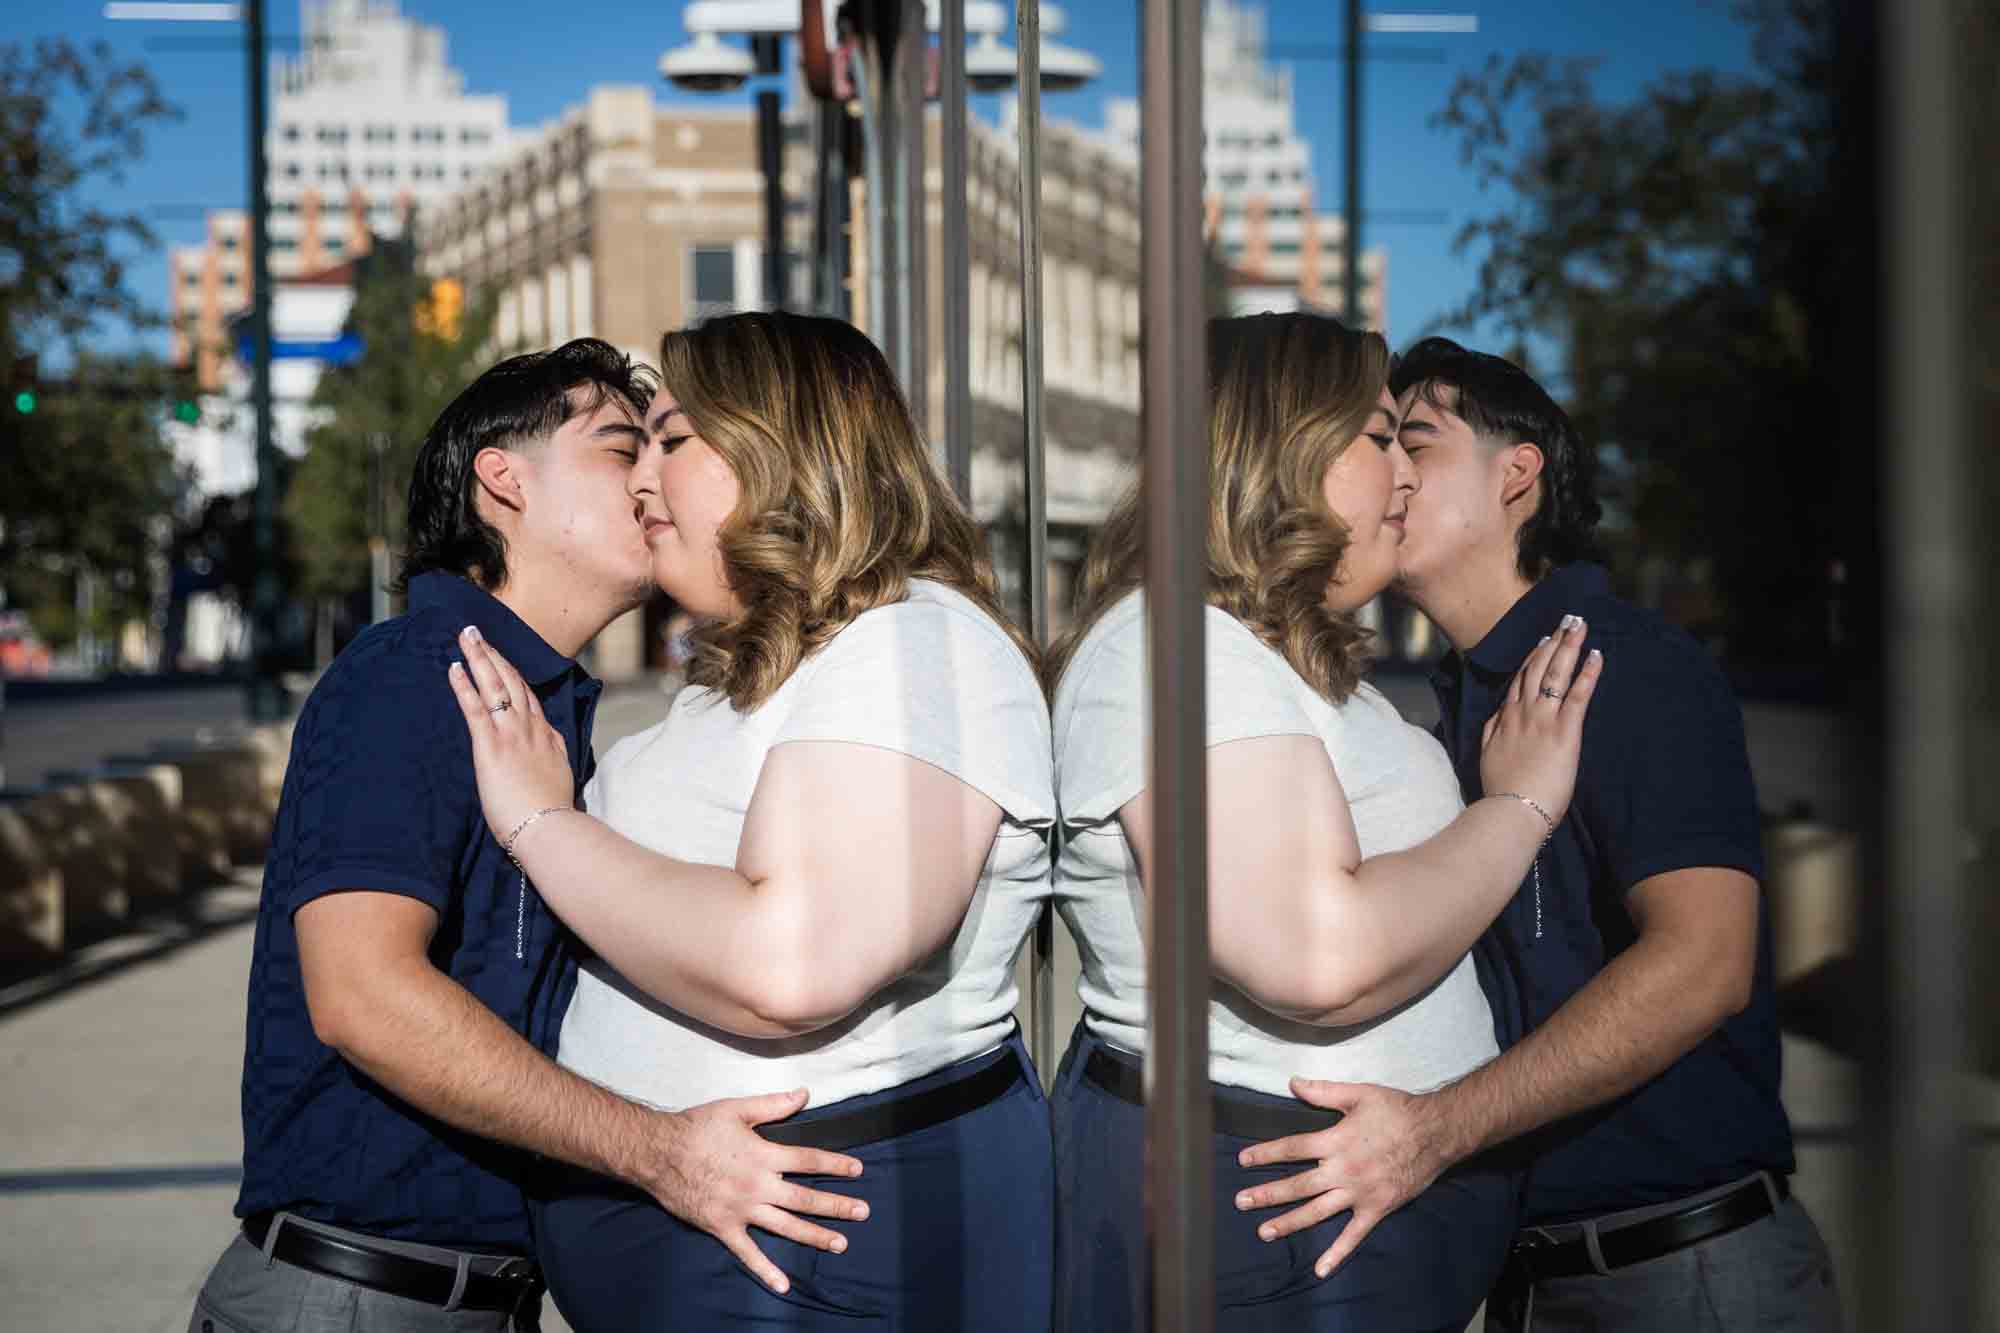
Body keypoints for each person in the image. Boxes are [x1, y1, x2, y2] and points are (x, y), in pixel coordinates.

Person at [189, 339, 866, 1333]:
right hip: (356, 1302)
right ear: (500, 480)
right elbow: (363, 997)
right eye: (616, 447)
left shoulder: (542, 709)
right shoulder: (412, 678)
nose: (648, 478)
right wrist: (660, 1152)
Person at [446, 311, 1057, 1332]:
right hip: (739, 1262)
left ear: (791, 446)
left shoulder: (915, 648)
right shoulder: (765, 668)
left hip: (823, 1258)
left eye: (672, 441)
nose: (641, 480)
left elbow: (793, 965)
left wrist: (541, 821)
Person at [1232, 336, 1841, 1331]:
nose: (1388, 471)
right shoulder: (1449, 708)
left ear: (1517, 473)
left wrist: (1432, 1131)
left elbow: (1704, 963)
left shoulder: (1624, 669)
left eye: (1413, 442)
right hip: (1530, 1278)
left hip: (1683, 1275)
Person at [1045, 311, 1602, 1332]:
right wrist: (1519, 805)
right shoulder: (1173, 648)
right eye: (1380, 435)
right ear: (1278, 445)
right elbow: (1312, 954)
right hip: (1274, 1209)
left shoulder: (1269, 654)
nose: (1404, 473)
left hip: (1317, 1219)